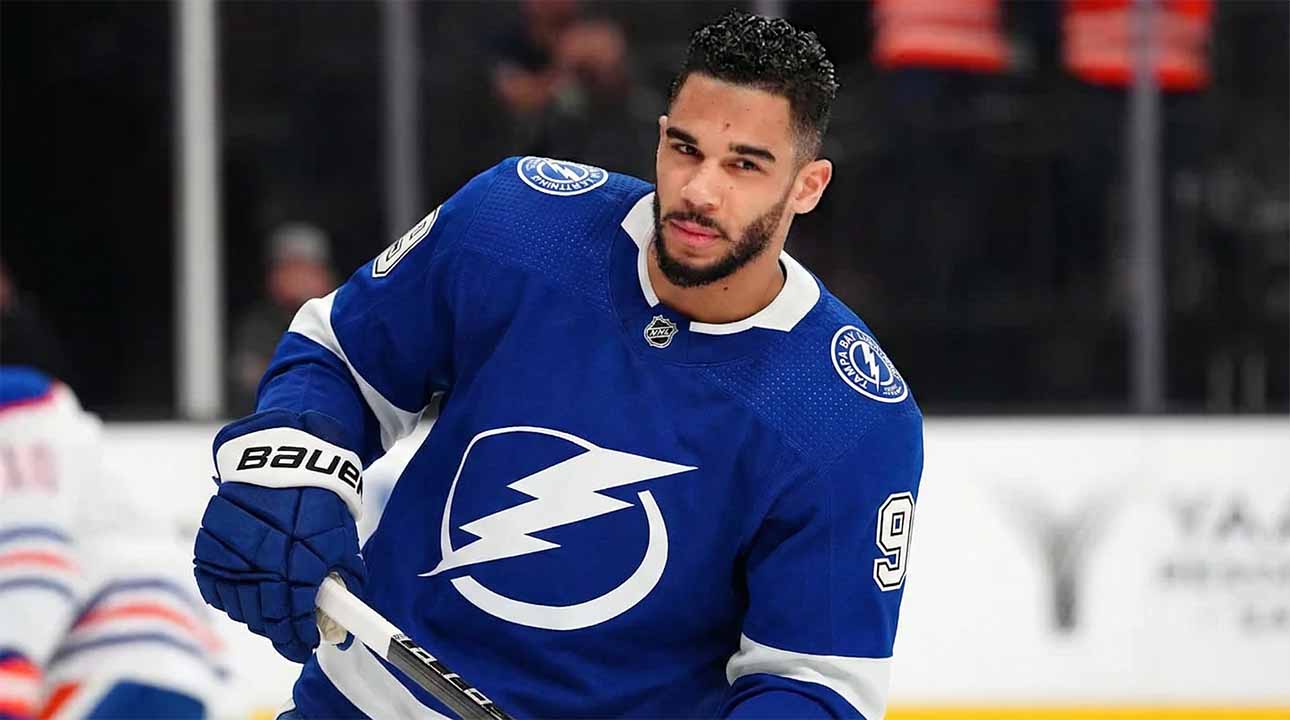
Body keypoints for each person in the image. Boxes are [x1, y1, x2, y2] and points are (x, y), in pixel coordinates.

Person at [194, 11, 923, 718]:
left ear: (808, 185)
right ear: (661, 138)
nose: (702, 190)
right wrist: (292, 468)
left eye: (745, 164)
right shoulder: (518, 223)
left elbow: (812, 683)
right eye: (687, 150)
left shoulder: (847, 418)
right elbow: (344, 353)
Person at [0, 367, 223, 718]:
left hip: (119, 657)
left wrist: (9, 671)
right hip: (141, 658)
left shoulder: (14, 406)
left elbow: (30, 566)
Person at [228, 223, 337, 415]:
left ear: (324, 274)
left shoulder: (345, 318)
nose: (299, 279)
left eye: (306, 269)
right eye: (289, 269)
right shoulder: (258, 325)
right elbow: (251, 384)